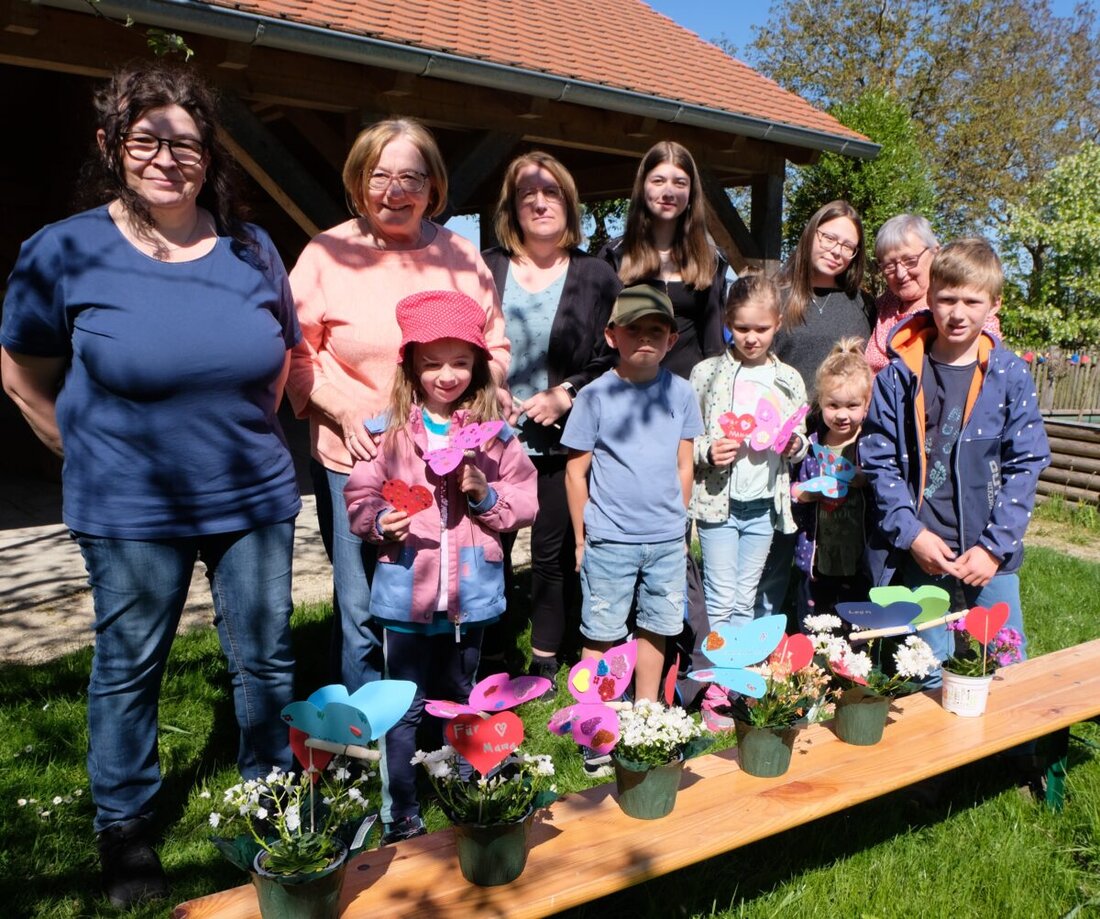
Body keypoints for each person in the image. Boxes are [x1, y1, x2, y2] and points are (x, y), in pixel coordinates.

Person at [0, 62, 300, 908]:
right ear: (111, 145)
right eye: (148, 139)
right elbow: (22, 372)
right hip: (129, 504)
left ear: (210, 156)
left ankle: (268, 790)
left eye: (189, 143)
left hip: (251, 494)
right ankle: (125, 824)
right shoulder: (63, 248)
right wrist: (81, 450)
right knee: (132, 663)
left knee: (266, 657)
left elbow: (277, 358)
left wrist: (239, 432)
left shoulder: (252, 245)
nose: (169, 158)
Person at [286, 118, 510, 693]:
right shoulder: (326, 254)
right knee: (362, 603)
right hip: (358, 456)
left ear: (433, 186)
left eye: (411, 176)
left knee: (439, 586)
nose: (395, 191)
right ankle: (366, 731)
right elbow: (292, 350)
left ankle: (436, 721)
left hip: (445, 458)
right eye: (379, 175)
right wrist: (335, 405)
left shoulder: (460, 257)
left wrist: (486, 400)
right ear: (358, 183)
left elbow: (496, 347)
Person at [344, 290, 537, 844]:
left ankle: (467, 786)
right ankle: (400, 809)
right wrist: (380, 520)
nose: (446, 375)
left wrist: (484, 495)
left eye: (459, 361)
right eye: (431, 363)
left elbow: (525, 498)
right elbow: (359, 496)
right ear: (410, 365)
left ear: (478, 363)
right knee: (402, 708)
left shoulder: (494, 436)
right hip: (406, 596)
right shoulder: (388, 435)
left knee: (462, 695)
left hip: (469, 601)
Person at [860, 239, 1051, 686]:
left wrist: (993, 547)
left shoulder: (1009, 375)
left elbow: (1027, 464)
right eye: (946, 299)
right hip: (922, 552)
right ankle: (938, 756)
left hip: (990, 555)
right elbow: (878, 459)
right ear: (929, 298)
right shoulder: (897, 376)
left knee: (1004, 661)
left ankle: (1017, 756)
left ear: (993, 304)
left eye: (972, 300)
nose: (958, 312)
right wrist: (912, 536)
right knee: (923, 667)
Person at [480, 152, 621, 690]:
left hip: (563, 443)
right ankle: (489, 653)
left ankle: (544, 654)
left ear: (569, 203)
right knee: (488, 551)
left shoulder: (597, 275)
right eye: (526, 194)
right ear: (511, 208)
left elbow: (614, 354)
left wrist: (567, 392)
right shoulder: (485, 266)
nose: (539, 202)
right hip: (488, 441)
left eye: (551, 192)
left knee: (551, 552)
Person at [562, 285, 704, 771]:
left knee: (657, 627)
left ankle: (646, 715)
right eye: (633, 329)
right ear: (611, 336)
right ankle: (595, 724)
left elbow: (685, 463)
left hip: (665, 540)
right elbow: (576, 472)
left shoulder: (682, 392)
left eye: (656, 330)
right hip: (608, 540)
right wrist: (582, 539)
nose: (645, 338)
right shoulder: (594, 396)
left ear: (670, 339)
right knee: (601, 631)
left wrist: (677, 519)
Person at [688, 275, 808, 730]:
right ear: (727, 323)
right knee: (720, 600)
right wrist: (707, 451)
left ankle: (736, 679)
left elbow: (800, 437)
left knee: (745, 597)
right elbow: (689, 438)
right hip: (718, 503)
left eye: (760, 328)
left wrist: (790, 444)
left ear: (777, 323)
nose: (751, 338)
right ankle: (717, 690)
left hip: (763, 504)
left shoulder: (787, 379)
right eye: (741, 328)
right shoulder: (706, 373)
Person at [759, 200, 875, 617]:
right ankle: (763, 642)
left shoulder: (860, 305)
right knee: (773, 554)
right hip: (776, 444)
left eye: (849, 245)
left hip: (835, 445)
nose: (837, 250)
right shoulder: (777, 294)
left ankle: (825, 636)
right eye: (830, 237)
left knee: (826, 552)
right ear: (811, 234)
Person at [598, 140, 728, 380]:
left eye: (680, 183)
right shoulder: (614, 255)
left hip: (688, 393)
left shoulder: (711, 259)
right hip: (627, 392)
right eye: (658, 181)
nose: (668, 192)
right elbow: (602, 340)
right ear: (643, 187)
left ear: (691, 193)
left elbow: (714, 346)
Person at [791, 338, 875, 625]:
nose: (842, 415)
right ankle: (817, 667)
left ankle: (855, 666)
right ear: (821, 403)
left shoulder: (870, 445)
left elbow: (885, 489)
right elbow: (796, 489)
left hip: (858, 558)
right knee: (816, 622)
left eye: (852, 405)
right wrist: (804, 493)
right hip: (818, 558)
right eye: (833, 405)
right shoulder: (813, 445)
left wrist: (865, 480)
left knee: (857, 623)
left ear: (866, 404)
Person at [866, 214, 999, 373]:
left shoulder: (959, 306)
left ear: (935, 252)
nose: (900, 273)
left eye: (910, 260)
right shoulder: (885, 303)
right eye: (889, 265)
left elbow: (988, 363)